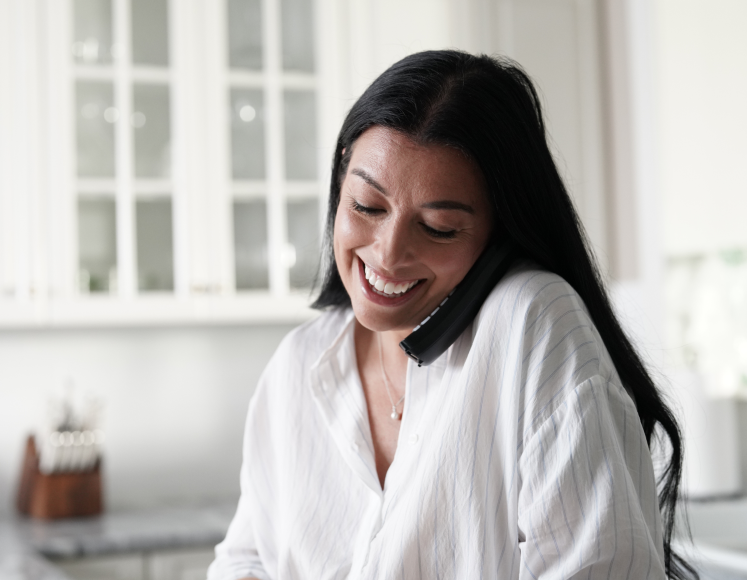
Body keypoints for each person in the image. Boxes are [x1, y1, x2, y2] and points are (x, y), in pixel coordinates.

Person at [208, 50, 694, 580]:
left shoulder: (532, 323)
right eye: (366, 206)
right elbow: (245, 557)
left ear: (498, 227)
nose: (389, 254)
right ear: (341, 173)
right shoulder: (297, 363)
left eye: (439, 227)